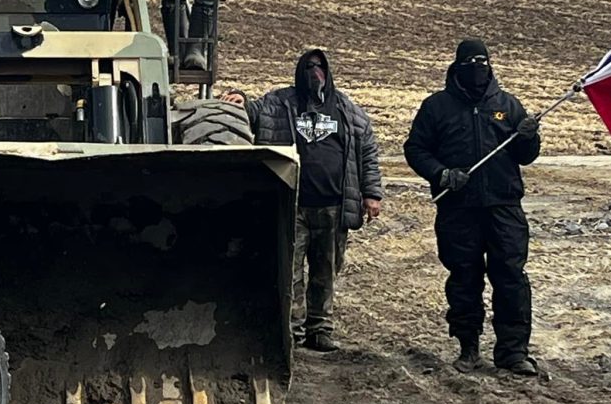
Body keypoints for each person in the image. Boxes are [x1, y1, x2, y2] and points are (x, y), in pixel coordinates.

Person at [221, 48, 383, 352]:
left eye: (320, 66)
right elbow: (253, 111)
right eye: (309, 66)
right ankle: (290, 331)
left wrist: (372, 193)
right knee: (290, 271)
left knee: (326, 270)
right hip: (291, 203)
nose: (315, 71)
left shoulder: (347, 109)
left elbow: (368, 152)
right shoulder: (280, 102)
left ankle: (320, 329)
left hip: (333, 205)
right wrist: (239, 98)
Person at [403, 38, 541, 376]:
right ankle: (468, 347)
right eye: (471, 62)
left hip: (503, 206)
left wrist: (528, 136)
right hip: (458, 208)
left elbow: (526, 156)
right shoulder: (437, 107)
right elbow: (415, 149)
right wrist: (441, 174)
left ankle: (513, 351)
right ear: (458, 66)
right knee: (464, 277)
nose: (478, 67)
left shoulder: (508, 105)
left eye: (483, 61)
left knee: (511, 277)